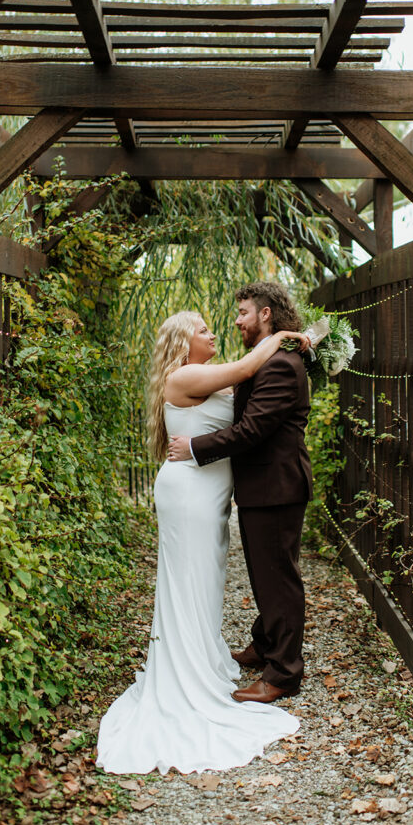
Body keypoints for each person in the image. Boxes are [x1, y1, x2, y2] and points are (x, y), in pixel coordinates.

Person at [96, 309, 309, 775]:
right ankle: (184, 673)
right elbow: (250, 367)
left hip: (210, 494)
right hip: (189, 491)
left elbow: (254, 398)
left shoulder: (207, 378)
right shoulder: (186, 374)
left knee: (206, 581)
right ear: (182, 342)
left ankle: (199, 657)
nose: (213, 334)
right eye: (204, 329)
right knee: (188, 580)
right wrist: (289, 336)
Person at [168, 282, 312, 706]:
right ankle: (265, 645)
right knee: (264, 574)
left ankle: (284, 673)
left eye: (244, 312)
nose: (237, 321)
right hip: (262, 488)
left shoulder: (282, 364)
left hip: (277, 488)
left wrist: (194, 448)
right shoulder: (270, 358)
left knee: (278, 580)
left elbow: (251, 430)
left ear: (266, 315)